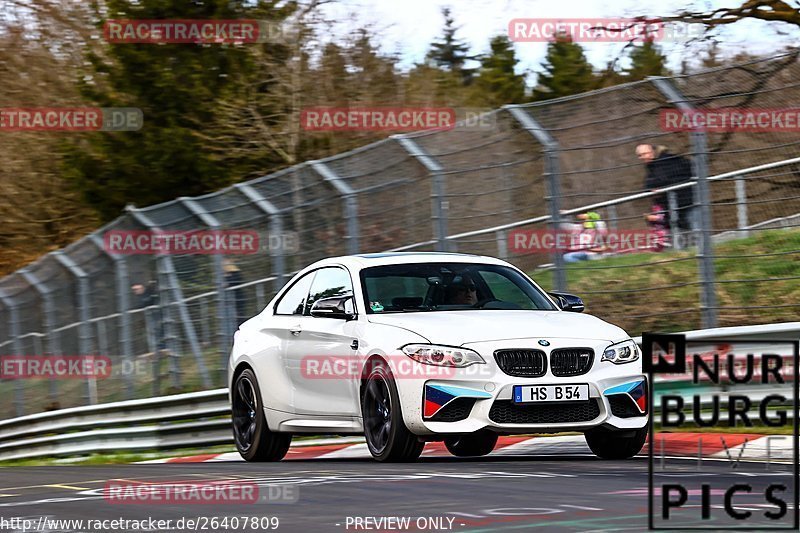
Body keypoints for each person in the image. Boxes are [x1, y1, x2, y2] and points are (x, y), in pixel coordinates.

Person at [635, 144, 695, 232]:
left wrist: (656, 187)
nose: (642, 157)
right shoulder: (653, 166)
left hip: (685, 201)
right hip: (672, 204)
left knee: (693, 229)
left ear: (653, 152)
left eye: (644, 154)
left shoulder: (668, 161)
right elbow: (649, 184)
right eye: (639, 155)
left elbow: (663, 180)